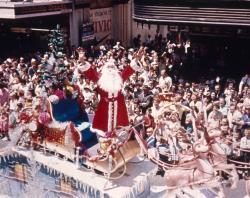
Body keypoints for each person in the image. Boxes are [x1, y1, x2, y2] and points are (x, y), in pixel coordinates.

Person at [78, 50, 143, 137]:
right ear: (105, 69)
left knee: (119, 125)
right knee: (104, 127)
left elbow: (129, 70)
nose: (110, 69)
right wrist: (82, 60)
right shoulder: (100, 78)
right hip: (104, 105)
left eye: (112, 67)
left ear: (115, 69)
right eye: (108, 67)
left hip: (119, 105)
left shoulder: (120, 77)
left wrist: (136, 58)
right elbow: (89, 72)